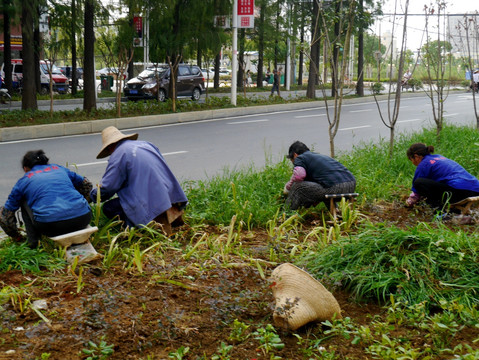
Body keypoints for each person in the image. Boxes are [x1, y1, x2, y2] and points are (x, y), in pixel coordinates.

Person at [90, 126, 188, 234]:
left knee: (109, 208)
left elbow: (107, 188)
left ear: (110, 147)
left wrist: (91, 196)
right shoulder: (147, 144)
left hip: (152, 204)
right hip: (170, 197)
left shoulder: (118, 155)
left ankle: (135, 228)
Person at [0, 150, 92, 248]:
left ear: (25, 169)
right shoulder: (59, 168)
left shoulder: (24, 180)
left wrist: (16, 236)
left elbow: (5, 216)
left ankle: (33, 243)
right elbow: (87, 185)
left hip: (50, 226)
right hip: (83, 218)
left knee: (23, 199)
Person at [283, 141, 356, 210]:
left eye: (291, 160)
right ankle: (334, 209)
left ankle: (287, 212)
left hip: (336, 189)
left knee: (297, 186)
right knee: (322, 185)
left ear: (295, 155)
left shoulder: (300, 158)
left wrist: (288, 187)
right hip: (351, 186)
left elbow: (299, 176)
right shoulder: (318, 156)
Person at [406, 143, 479, 209]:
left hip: (461, 192)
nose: (413, 163)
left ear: (416, 156)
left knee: (419, 182)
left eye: (411, 159)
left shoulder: (423, 164)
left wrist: (410, 202)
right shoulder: (439, 157)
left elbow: (416, 192)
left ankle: (440, 210)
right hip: (475, 190)